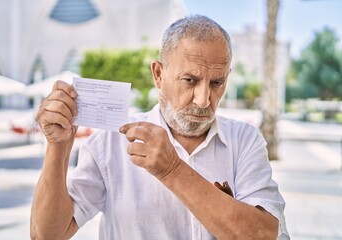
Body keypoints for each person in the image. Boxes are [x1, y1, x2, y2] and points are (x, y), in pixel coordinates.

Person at [30, 15, 289, 239]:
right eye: (190, 80)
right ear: (158, 74)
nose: (203, 99)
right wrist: (58, 147)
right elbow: (47, 235)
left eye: (216, 83)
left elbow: (262, 235)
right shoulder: (109, 143)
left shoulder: (244, 140)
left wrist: (172, 170)